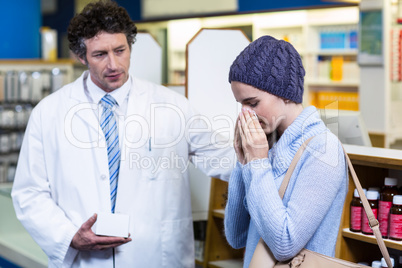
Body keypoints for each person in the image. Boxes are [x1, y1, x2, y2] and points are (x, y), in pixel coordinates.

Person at [11, 1, 234, 267]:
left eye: (120, 50)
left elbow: (223, 157)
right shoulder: (49, 113)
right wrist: (68, 236)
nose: (114, 64)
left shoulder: (172, 106)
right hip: (86, 260)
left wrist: (278, 159)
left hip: (155, 256)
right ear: (81, 57)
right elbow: (29, 192)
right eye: (100, 54)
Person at [223, 35, 348, 267]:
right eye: (240, 105)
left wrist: (258, 164)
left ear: (284, 93)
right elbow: (236, 236)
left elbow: (284, 245)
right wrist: (244, 162)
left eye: (252, 103)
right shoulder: (266, 143)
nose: (245, 115)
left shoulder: (323, 149)